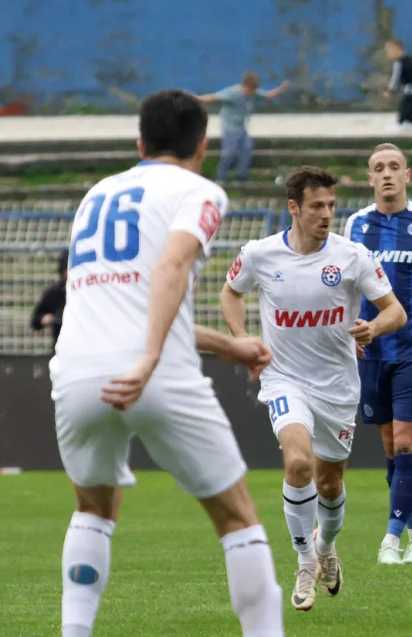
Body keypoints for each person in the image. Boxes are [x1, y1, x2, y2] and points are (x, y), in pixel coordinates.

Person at [51, 89, 284, 637]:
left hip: (77, 370)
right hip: (155, 372)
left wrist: (229, 345)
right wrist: (150, 357)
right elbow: (171, 268)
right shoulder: (198, 190)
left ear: (139, 142)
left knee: (92, 508)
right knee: (237, 517)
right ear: (203, 146)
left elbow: (122, 300)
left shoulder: (96, 195)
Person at [221, 166, 407, 610]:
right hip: (284, 378)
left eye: (331, 205)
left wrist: (373, 328)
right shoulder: (260, 254)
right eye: (317, 206)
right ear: (294, 208)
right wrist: (243, 339)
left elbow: (395, 311)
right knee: (298, 461)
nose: (327, 214)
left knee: (329, 483)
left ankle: (325, 549)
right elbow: (231, 293)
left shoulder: (352, 256)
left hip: (338, 386)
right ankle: (304, 560)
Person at [343, 143, 412, 565]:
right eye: (378, 168)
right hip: (369, 353)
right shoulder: (354, 225)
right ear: (369, 178)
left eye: (394, 167)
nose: (386, 174)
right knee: (390, 446)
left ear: (407, 175)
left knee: (408, 440)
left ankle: (390, 541)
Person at [197, 73, 290, 183]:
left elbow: (269, 95)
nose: (251, 94)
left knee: (246, 148)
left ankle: (241, 175)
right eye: (250, 90)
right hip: (230, 127)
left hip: (241, 127)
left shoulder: (252, 93)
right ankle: (221, 177)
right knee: (229, 152)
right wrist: (195, 98)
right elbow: (214, 97)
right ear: (245, 86)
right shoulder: (233, 93)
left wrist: (281, 89)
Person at [384, 39, 412, 132]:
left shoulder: (398, 63)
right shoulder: (409, 59)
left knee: (405, 105)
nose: (388, 54)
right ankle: (411, 123)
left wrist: (390, 90)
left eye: (389, 51)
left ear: (397, 50)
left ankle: (400, 123)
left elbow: (395, 79)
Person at [31, 248, 69, 344]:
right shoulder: (54, 293)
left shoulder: (84, 291)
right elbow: (35, 321)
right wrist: (46, 318)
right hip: (61, 344)